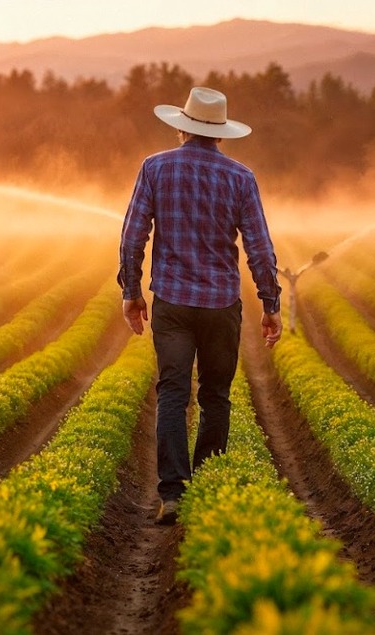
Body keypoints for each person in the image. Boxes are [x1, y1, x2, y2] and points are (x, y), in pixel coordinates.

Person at [117, 86, 283, 525]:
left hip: (171, 300)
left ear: (181, 128)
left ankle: (172, 494)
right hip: (220, 305)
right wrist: (271, 303)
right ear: (222, 135)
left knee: (172, 392)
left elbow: (133, 237)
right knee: (215, 396)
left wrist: (131, 292)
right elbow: (260, 250)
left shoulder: (155, 168)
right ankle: (207, 488)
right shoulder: (241, 178)